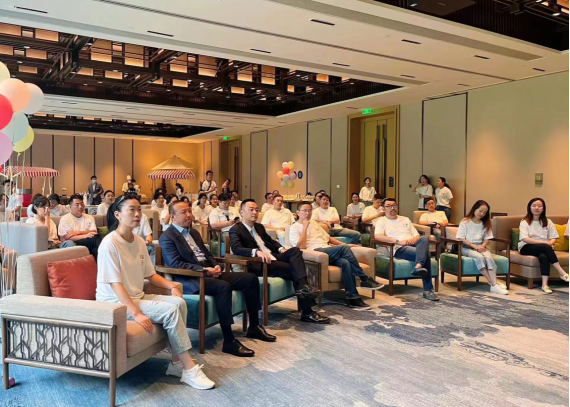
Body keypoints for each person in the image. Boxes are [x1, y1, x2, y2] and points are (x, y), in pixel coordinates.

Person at [96, 195, 215, 389]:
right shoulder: (109, 244)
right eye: (131, 210)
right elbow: (115, 285)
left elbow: (151, 275)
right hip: (114, 303)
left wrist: (172, 286)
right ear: (117, 215)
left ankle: (176, 363)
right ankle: (189, 369)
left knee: (179, 302)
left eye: (139, 210)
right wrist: (136, 313)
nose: (137, 214)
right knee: (170, 311)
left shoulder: (139, 241)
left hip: (137, 296)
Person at [161, 201, 276, 357]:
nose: (189, 215)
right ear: (173, 217)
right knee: (223, 286)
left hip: (208, 272)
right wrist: (204, 270)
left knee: (250, 279)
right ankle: (229, 340)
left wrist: (216, 266)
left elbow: (207, 254)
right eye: (184, 212)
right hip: (192, 279)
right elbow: (175, 264)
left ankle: (254, 326)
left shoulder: (193, 232)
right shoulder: (167, 237)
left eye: (189, 211)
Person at [230, 200, 329, 324]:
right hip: (259, 263)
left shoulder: (259, 227)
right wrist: (256, 252)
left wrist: (281, 248)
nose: (255, 212)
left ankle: (304, 289)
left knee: (295, 251)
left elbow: (271, 241)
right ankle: (307, 310)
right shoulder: (236, 229)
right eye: (251, 209)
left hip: (273, 256)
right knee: (295, 269)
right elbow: (236, 248)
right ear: (242, 212)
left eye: (256, 209)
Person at [291, 202, 382, 310]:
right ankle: (364, 278)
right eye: (304, 211)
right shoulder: (294, 227)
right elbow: (300, 247)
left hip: (327, 250)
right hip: (316, 253)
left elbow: (328, 238)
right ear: (298, 212)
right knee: (344, 250)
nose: (307, 213)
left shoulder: (314, 223)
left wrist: (345, 245)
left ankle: (353, 298)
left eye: (310, 210)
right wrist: (305, 228)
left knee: (346, 262)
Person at [375, 198, 439, 302]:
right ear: (383, 208)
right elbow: (378, 236)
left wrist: (413, 240)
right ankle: (428, 290)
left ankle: (418, 266)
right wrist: (398, 241)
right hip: (399, 248)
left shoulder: (405, 219)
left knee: (424, 238)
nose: (392, 208)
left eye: (394, 205)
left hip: (413, 244)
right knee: (426, 253)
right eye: (389, 206)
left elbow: (417, 235)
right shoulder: (381, 221)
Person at [519, 198, 570, 294]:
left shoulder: (547, 221)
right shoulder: (524, 221)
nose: (536, 208)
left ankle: (544, 285)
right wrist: (545, 243)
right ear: (529, 208)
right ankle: (562, 272)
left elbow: (554, 237)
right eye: (534, 206)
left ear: (543, 208)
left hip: (544, 248)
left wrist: (550, 242)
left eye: (539, 206)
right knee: (545, 247)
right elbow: (524, 238)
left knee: (544, 257)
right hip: (526, 247)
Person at [457, 200, 508, 295]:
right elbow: (461, 238)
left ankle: (494, 285)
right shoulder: (465, 221)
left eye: (484, 212)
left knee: (488, 257)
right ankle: (493, 284)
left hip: (481, 246)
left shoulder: (486, 223)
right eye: (480, 211)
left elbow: (487, 238)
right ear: (474, 209)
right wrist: (474, 246)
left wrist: (482, 246)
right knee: (479, 257)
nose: (482, 214)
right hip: (467, 247)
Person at [58, 194, 102, 258]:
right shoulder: (65, 219)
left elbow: (94, 232)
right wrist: (85, 235)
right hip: (72, 242)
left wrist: (77, 232)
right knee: (95, 239)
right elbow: (67, 238)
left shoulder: (89, 217)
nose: (80, 207)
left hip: (86, 241)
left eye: (82, 204)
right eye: (77, 204)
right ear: (70, 207)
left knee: (95, 247)